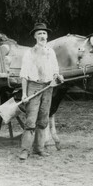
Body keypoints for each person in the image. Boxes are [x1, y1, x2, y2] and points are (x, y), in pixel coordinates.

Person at [18, 23, 64, 160]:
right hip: (33, 87)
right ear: (35, 36)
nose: (42, 36)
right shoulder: (29, 53)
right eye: (39, 34)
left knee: (43, 120)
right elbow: (24, 74)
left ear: (47, 36)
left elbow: (55, 70)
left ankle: (39, 149)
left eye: (44, 34)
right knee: (31, 121)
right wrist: (24, 94)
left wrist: (58, 76)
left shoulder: (51, 52)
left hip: (48, 88)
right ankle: (25, 150)